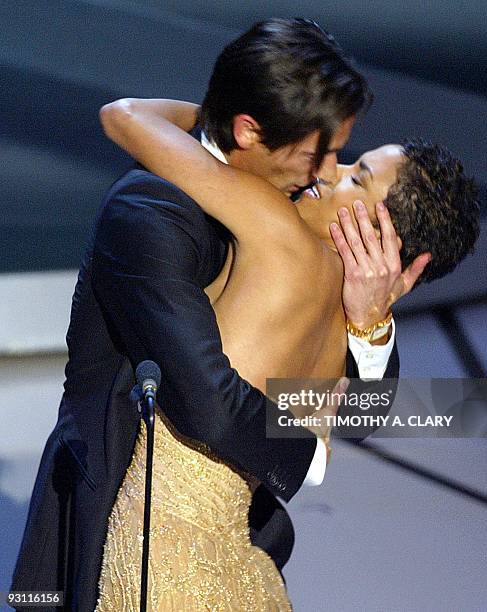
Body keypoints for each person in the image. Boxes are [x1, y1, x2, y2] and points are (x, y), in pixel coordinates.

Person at [11, 19, 406, 612]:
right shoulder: (150, 212)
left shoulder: (302, 216)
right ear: (250, 129)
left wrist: (371, 321)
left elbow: (364, 419)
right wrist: (310, 447)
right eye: (315, 152)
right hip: (128, 535)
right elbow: (208, 400)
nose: (327, 170)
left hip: (243, 542)